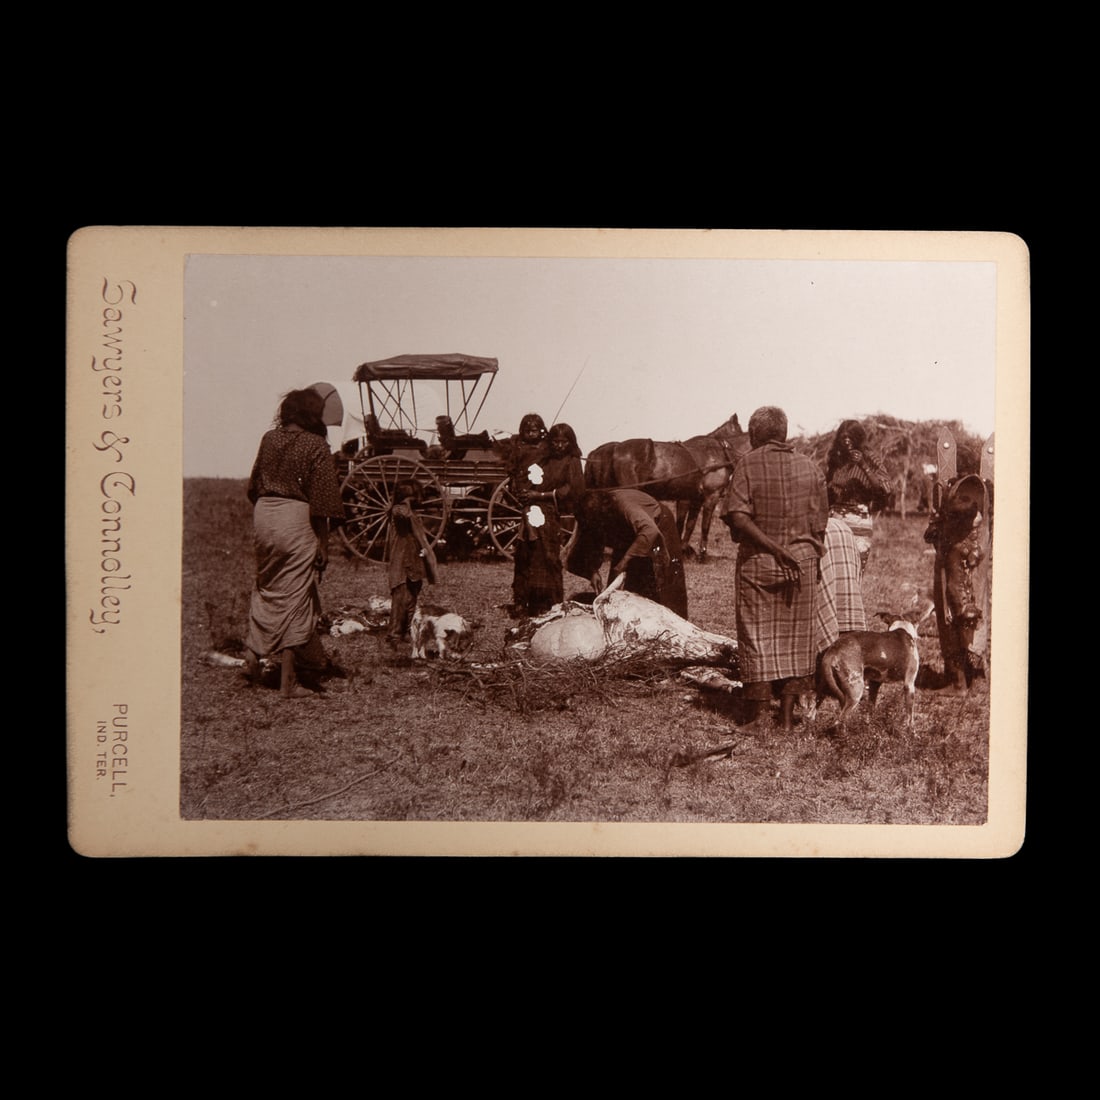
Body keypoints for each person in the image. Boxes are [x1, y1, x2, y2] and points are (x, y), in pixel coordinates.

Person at [720, 406, 834, 731]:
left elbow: (738, 516)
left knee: (757, 634)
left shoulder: (747, 464)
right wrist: (807, 557)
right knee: (797, 639)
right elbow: (820, 524)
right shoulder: (811, 468)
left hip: (759, 562)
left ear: (755, 434)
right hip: (803, 563)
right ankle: (785, 719)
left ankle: (757, 719)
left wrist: (772, 546)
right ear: (783, 433)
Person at [244, 388, 346, 698]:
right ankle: (288, 683)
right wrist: (324, 546)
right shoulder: (316, 446)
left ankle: (251, 664)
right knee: (297, 595)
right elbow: (324, 503)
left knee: (267, 586)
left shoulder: (269, 438)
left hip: (264, 515)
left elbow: (254, 486)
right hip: (295, 518)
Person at [567, 488, 688, 619]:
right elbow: (591, 539)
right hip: (630, 531)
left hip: (658, 524)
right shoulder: (591, 512)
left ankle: (672, 621)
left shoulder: (626, 506)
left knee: (664, 580)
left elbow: (650, 531)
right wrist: (592, 571)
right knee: (625, 585)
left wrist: (626, 559)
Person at [825, 419, 893, 574]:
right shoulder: (836, 460)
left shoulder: (869, 458)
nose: (847, 441)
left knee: (856, 567)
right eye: (843, 437)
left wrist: (863, 465)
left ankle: (854, 599)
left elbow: (884, 488)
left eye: (850, 437)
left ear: (858, 438)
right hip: (835, 520)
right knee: (835, 568)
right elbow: (829, 488)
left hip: (859, 519)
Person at [507, 412, 554, 616]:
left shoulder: (548, 448)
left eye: (535, 429)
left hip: (541, 505)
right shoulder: (518, 449)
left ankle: (540, 601)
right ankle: (521, 600)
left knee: (541, 557)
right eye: (528, 430)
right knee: (524, 556)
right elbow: (513, 475)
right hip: (525, 505)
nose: (532, 433)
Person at [384, 480, 438, 652]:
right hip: (401, 561)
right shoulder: (398, 510)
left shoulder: (410, 513)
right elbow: (401, 513)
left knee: (411, 597)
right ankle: (394, 634)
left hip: (412, 560)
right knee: (400, 598)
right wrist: (406, 504)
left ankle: (406, 630)